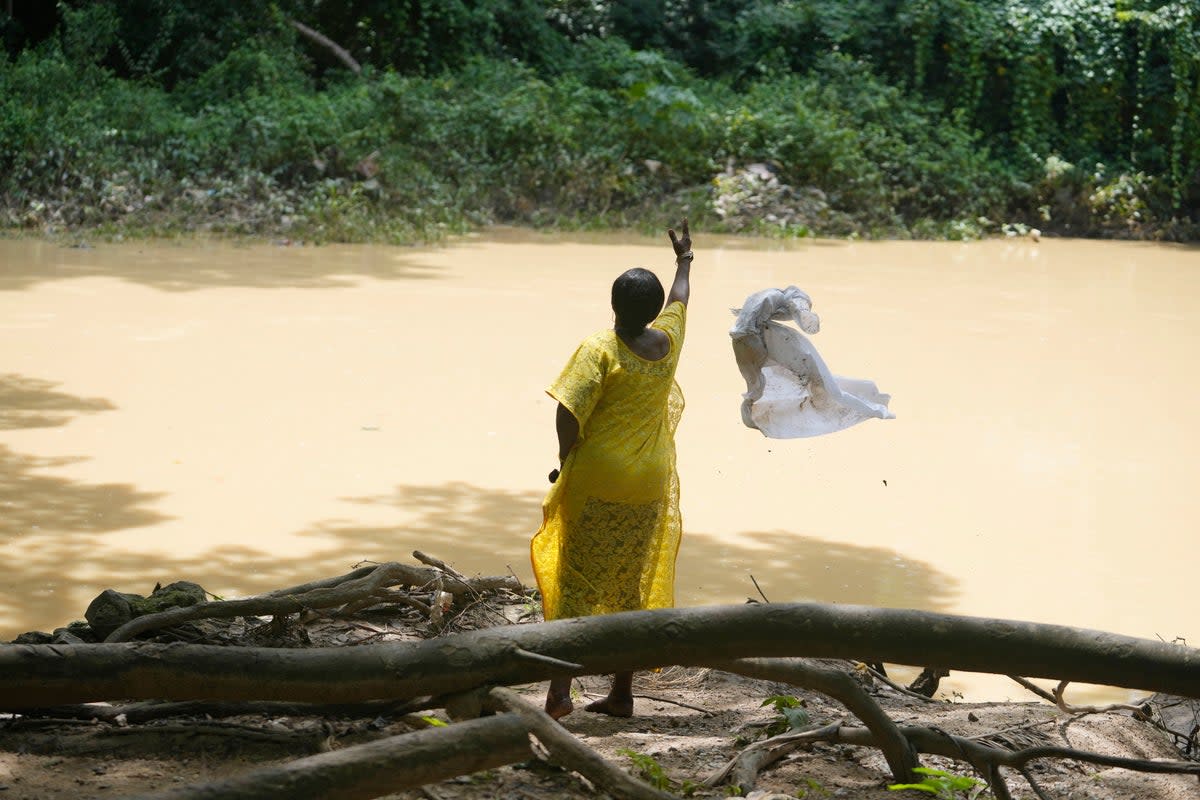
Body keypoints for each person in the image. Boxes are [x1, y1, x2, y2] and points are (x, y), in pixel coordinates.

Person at [530, 219, 694, 721]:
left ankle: (560, 692)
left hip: (601, 477)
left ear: (614, 305)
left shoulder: (600, 347)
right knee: (629, 583)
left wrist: (566, 457)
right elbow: (682, 298)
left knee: (576, 581)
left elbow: (567, 409)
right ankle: (622, 693)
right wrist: (685, 259)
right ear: (652, 311)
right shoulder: (667, 342)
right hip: (648, 479)